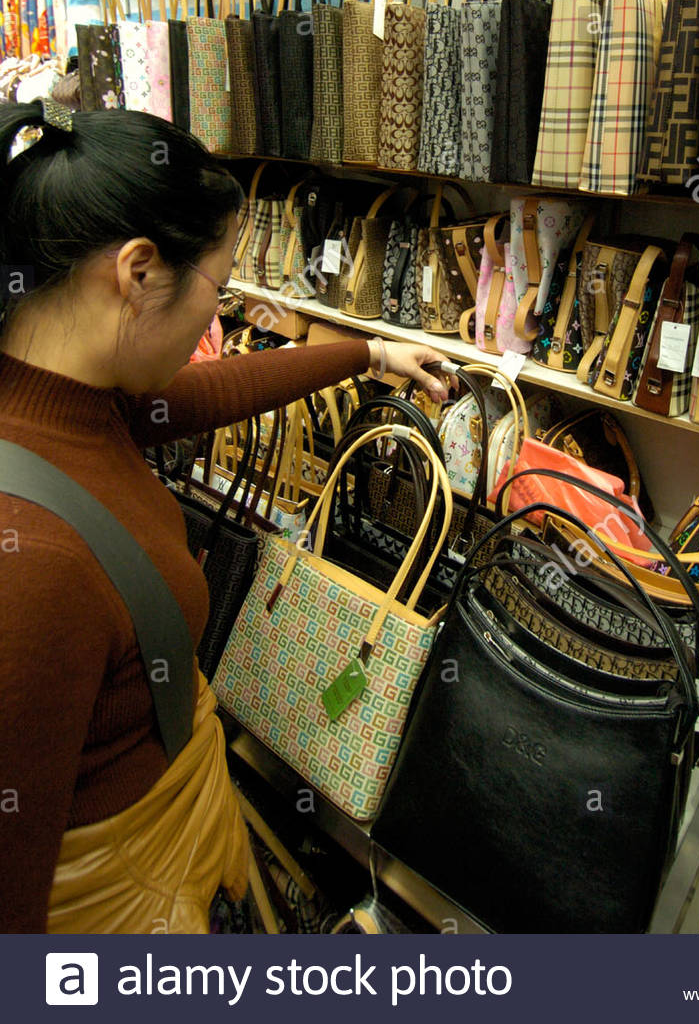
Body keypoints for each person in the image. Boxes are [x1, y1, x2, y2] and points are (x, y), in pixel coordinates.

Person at [0, 99, 449, 934]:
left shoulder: (68, 396)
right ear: (137, 273)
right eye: (219, 282)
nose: (222, 309)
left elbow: (197, 398)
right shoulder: (33, 564)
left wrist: (369, 353)